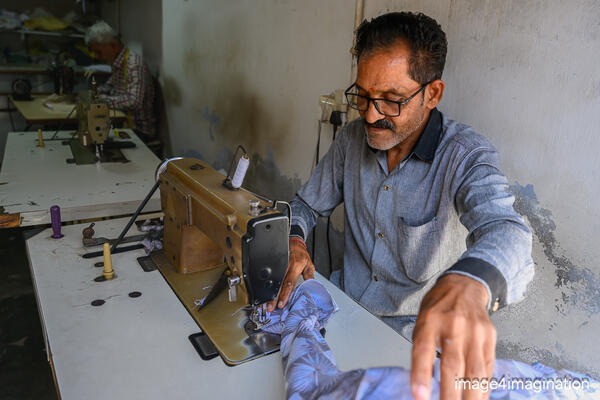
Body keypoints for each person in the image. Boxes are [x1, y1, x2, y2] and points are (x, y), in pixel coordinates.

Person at [267, 12, 534, 400]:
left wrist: (474, 282)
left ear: (432, 94)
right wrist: (294, 239)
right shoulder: (351, 141)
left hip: (409, 344)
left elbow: (508, 232)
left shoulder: (464, 157)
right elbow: (305, 205)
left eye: (391, 101)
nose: (370, 114)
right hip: (343, 312)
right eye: (363, 95)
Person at [85, 21, 156, 140]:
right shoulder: (117, 62)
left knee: (92, 138)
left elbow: (134, 102)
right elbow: (110, 85)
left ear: (113, 46)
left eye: (98, 52)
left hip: (138, 131)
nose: (96, 56)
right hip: (123, 122)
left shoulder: (133, 64)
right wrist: (94, 94)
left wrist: (101, 100)